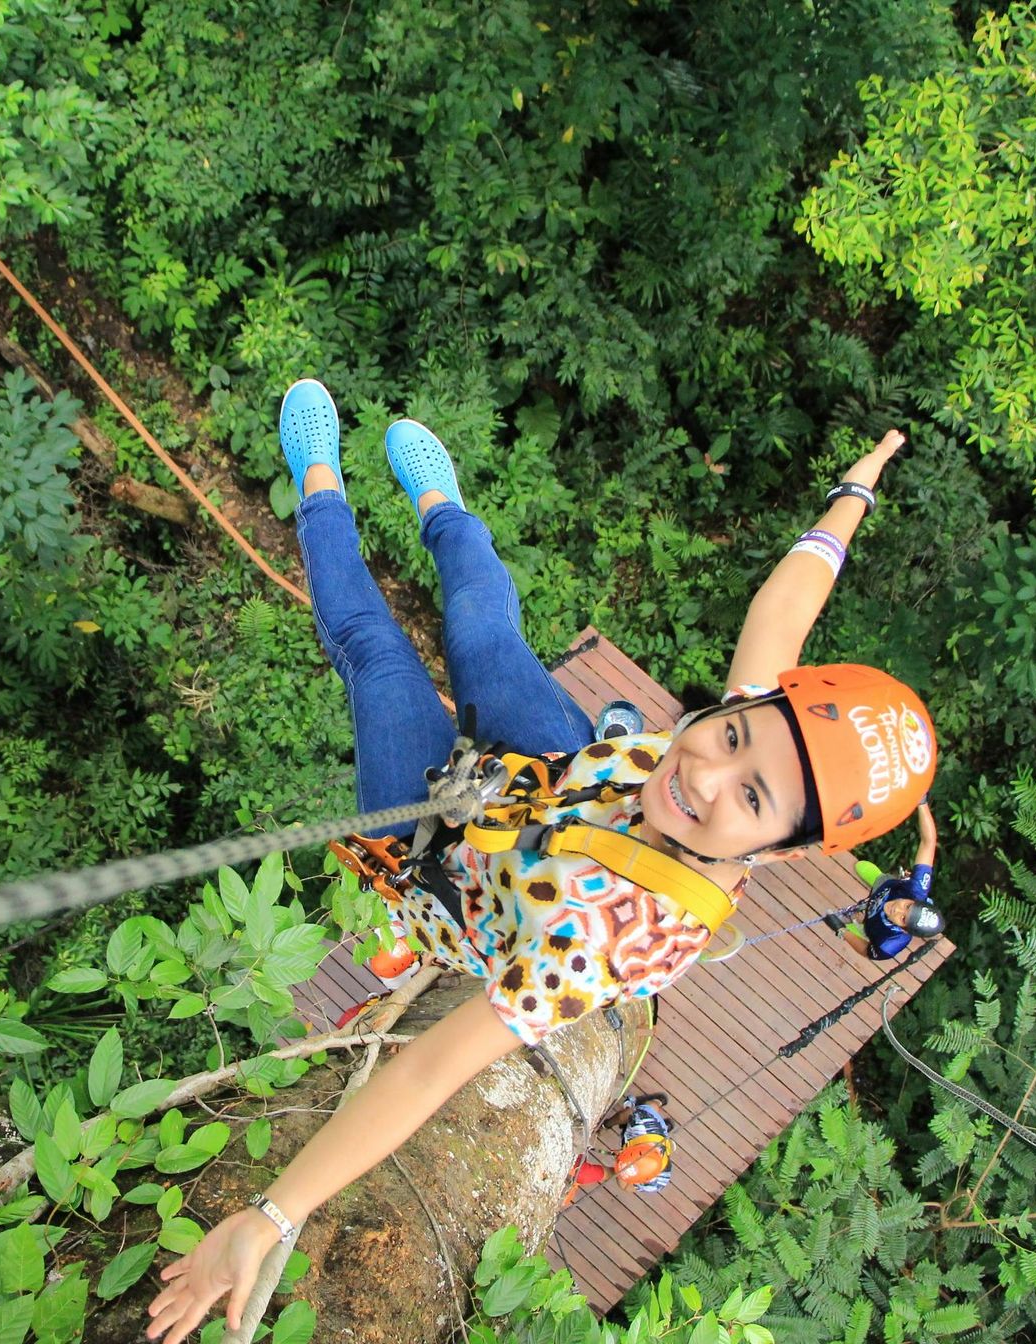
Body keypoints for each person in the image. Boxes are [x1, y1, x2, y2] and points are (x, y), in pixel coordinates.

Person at [145, 379, 938, 1342]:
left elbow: (429, 1073)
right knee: (483, 622)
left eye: (755, 799)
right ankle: (444, 508)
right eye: (731, 736)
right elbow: (787, 605)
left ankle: (317, 484)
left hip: (437, 850)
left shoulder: (606, 941)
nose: (709, 772)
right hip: (559, 769)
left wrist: (270, 1217)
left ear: (784, 849)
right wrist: (853, 493)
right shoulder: (737, 740)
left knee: (377, 654)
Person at [835, 801, 943, 960]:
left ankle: (859, 922)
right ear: (915, 900)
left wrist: (843, 932)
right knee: (882, 881)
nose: (897, 909)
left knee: (861, 923)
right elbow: (928, 843)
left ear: (905, 930)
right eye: (907, 905)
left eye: (903, 918)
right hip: (888, 887)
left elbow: (867, 950)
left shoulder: (889, 943)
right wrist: (922, 802)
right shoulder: (917, 888)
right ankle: (876, 878)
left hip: (872, 924)